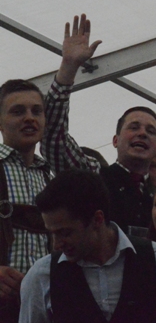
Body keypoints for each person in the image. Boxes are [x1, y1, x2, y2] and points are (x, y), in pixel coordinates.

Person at [42, 14, 156, 234]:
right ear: (115, 140)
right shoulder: (94, 175)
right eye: (134, 127)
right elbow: (53, 141)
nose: (142, 133)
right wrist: (68, 68)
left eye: (150, 131)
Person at [20, 168, 156, 323]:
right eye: (52, 233)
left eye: (65, 232)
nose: (56, 244)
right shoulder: (41, 275)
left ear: (97, 219)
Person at [0, 80, 51, 321]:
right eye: (18, 111)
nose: (29, 118)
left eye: (36, 111)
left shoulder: (51, 178)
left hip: (44, 309)